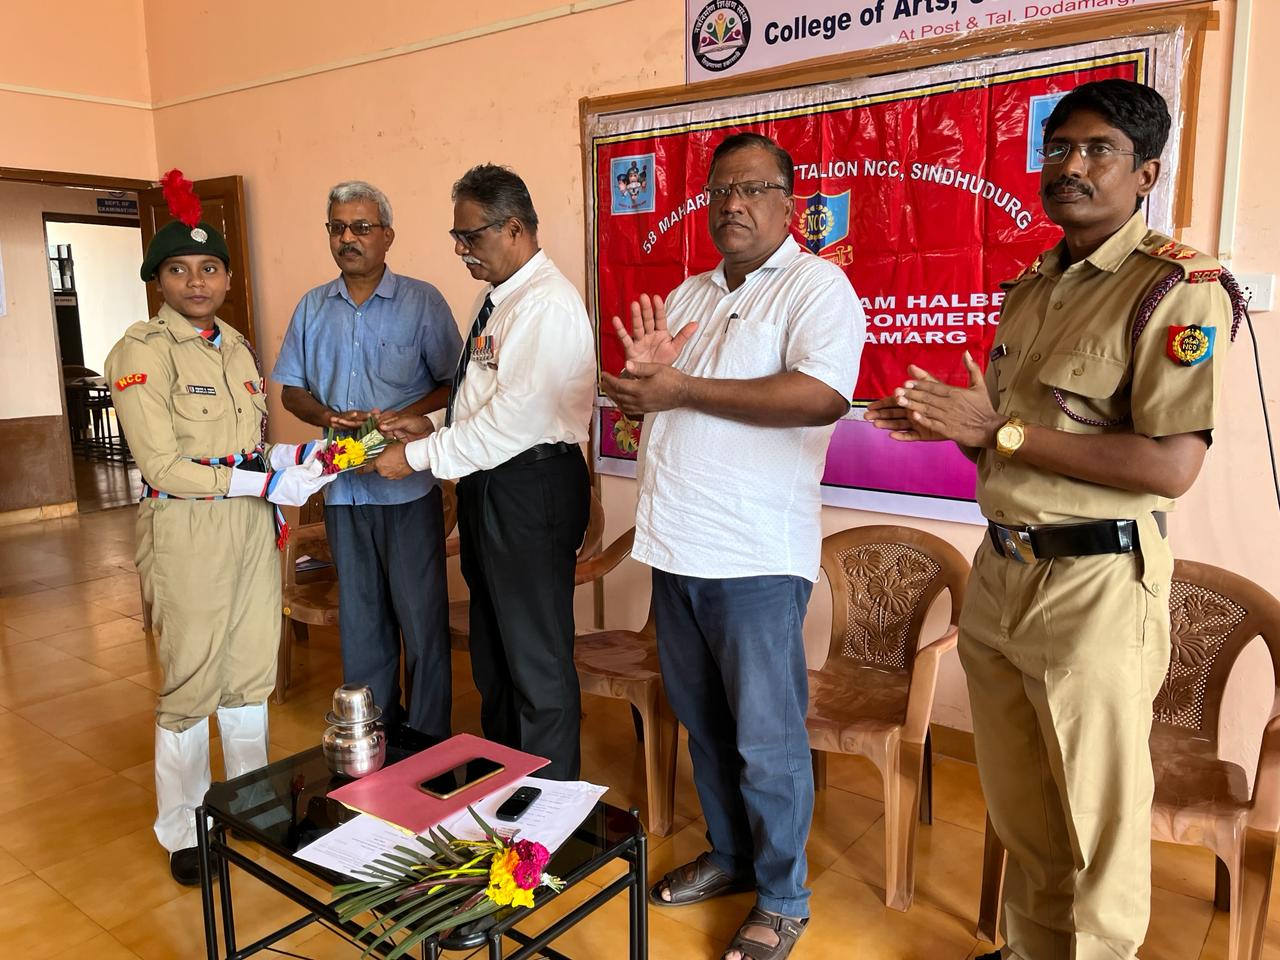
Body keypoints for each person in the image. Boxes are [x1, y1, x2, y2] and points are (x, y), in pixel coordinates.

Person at [865, 80, 1241, 960]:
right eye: (1060, 147)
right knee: (1024, 810)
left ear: (1146, 173)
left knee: (1096, 827)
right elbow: (1013, 445)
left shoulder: (1176, 288)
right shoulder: (1032, 285)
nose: (1072, 166)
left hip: (1094, 588)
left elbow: (1171, 467)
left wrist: (997, 428)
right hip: (1002, 575)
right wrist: (958, 427)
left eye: (1099, 150)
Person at [600, 132, 865, 960]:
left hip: (754, 556)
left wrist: (679, 387)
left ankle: (782, 898)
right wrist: (640, 390)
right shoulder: (691, 293)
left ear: (790, 203)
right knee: (705, 724)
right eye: (720, 192)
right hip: (677, 546)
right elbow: (660, 402)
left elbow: (821, 396)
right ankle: (732, 855)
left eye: (752, 190)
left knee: (766, 740)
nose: (733, 205)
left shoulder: (818, 287)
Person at [105, 170, 335, 885]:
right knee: (191, 682)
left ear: (228, 279)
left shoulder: (235, 346)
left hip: (250, 528)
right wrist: (265, 481)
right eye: (179, 269)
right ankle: (182, 829)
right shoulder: (142, 351)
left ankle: (250, 806)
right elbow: (164, 466)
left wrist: (295, 459)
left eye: (209, 268)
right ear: (158, 280)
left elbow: (246, 445)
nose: (196, 281)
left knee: (249, 674)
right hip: (187, 532)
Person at [375, 164, 593, 781]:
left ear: (514, 228)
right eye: (457, 236)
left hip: (531, 486)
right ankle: (504, 782)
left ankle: (548, 806)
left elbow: (514, 425)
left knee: (535, 660)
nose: (460, 249)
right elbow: (485, 404)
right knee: (496, 654)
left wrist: (417, 457)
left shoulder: (546, 305)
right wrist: (429, 425)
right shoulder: (498, 299)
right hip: (492, 483)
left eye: (469, 236)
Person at [272, 181, 461, 738]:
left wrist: (402, 414)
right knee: (361, 625)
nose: (348, 238)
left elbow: (454, 383)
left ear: (387, 236)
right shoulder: (313, 307)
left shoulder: (422, 302)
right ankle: (373, 735)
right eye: (338, 228)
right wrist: (328, 416)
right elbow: (290, 390)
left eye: (361, 227)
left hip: (407, 491)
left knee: (421, 624)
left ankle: (426, 740)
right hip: (344, 491)